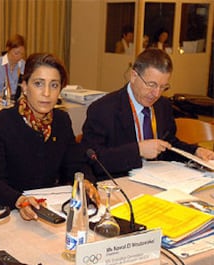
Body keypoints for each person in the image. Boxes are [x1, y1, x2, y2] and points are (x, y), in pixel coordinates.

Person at [0, 53, 100, 221]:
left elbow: (75, 164)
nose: (46, 93)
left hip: (49, 209)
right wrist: (19, 200)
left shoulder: (61, 121)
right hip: (10, 211)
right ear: (25, 86)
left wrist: (85, 181)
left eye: (54, 85)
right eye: (38, 84)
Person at [81, 48, 214, 179]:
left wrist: (195, 152)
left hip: (159, 179)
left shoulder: (163, 105)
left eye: (163, 87)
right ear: (133, 76)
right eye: (151, 85)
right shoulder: (103, 109)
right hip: (121, 182)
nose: (156, 94)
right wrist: (138, 150)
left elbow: (169, 144)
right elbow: (93, 160)